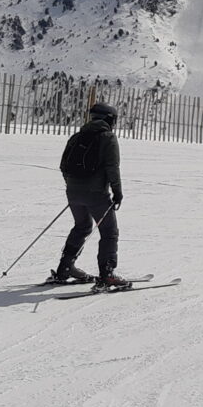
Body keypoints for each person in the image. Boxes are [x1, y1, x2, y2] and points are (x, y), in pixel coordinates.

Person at [52, 101, 128, 288]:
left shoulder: (76, 137)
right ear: (110, 119)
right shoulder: (108, 138)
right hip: (96, 194)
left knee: (82, 226)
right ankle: (107, 274)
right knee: (109, 232)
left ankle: (65, 268)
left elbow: (63, 166)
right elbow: (112, 168)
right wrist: (117, 193)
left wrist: (74, 187)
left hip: (73, 193)